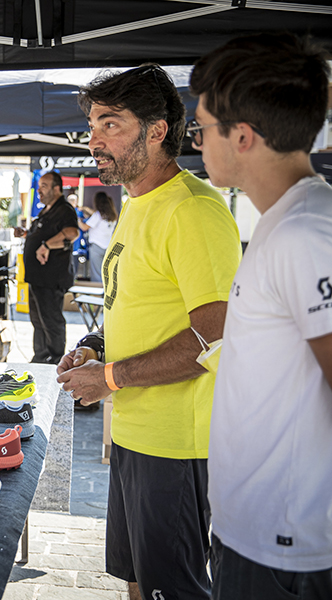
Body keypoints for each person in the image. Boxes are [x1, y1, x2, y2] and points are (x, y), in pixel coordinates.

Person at [55, 64, 241, 600]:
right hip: (134, 433)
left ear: (157, 130)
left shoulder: (193, 209)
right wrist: (95, 346)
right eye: (92, 125)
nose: (94, 140)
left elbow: (214, 337)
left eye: (110, 124)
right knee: (138, 581)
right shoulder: (138, 203)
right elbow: (138, 307)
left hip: (177, 444)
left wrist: (110, 377)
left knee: (173, 590)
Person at [189, 33, 332, 598]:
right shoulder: (285, 221)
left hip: (285, 551)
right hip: (258, 535)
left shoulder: (306, 232)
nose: (197, 141)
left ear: (242, 136)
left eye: (202, 127)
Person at [13, 171, 79, 364]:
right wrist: (26, 234)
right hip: (37, 277)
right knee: (38, 321)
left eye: (44, 186)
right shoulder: (46, 210)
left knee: (51, 321)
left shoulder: (64, 209)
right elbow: (43, 233)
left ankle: (55, 360)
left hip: (51, 277)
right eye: (39, 186)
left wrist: (47, 245)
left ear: (56, 188)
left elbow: (72, 232)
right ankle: (41, 357)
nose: (39, 190)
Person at [77, 192, 118, 283]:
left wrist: (77, 220)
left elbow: (84, 227)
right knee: (106, 271)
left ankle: (97, 290)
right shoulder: (113, 216)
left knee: (96, 273)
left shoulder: (98, 215)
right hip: (108, 246)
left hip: (96, 246)